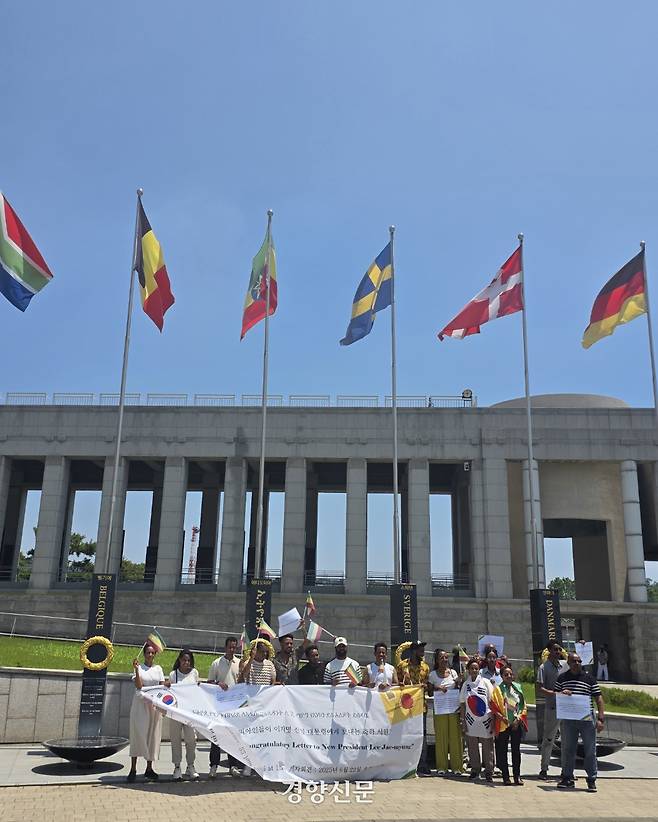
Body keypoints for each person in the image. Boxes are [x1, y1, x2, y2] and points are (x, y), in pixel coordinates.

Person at [555, 652, 605, 792]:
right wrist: (561, 693)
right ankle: (567, 778)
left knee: (590, 750)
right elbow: (555, 696)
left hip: (586, 719)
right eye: (574, 661)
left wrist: (601, 718)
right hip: (569, 719)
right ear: (568, 663)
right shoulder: (562, 678)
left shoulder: (589, 678)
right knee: (568, 749)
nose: (577, 663)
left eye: (579, 661)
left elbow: (599, 699)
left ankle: (591, 779)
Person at [238, 638, 277, 778]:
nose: (264, 655)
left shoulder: (270, 665)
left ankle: (262, 766)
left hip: (265, 705)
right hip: (251, 705)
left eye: (266, 652)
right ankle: (248, 765)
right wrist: (251, 659)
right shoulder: (248, 663)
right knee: (250, 737)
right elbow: (244, 675)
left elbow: (272, 681)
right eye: (261, 652)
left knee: (263, 736)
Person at [127, 642, 165, 782]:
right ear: (144, 654)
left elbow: (162, 686)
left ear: (155, 654)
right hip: (140, 705)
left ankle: (149, 768)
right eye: (148, 652)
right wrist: (136, 670)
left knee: (152, 736)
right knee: (138, 734)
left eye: (152, 653)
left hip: (154, 706)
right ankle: (133, 769)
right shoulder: (139, 668)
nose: (150, 655)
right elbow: (139, 685)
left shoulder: (158, 669)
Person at [459, 656, 497, 783]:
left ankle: (489, 771)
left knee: (488, 747)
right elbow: (463, 703)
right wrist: (463, 721)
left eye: (476, 668)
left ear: (479, 669)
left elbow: (492, 701)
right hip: (471, 720)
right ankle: (475, 769)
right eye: (472, 668)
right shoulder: (466, 684)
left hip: (486, 719)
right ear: (468, 670)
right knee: (472, 747)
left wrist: (493, 720)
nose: (474, 670)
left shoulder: (486, 682)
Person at [207, 636, 241, 777]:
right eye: (229, 647)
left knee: (232, 737)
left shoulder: (240, 663)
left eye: (234, 647)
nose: (232, 649)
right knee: (216, 737)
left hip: (234, 706)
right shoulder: (216, 663)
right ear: (225, 647)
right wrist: (217, 683)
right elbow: (208, 682)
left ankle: (233, 765)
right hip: (219, 705)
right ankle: (214, 766)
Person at [397, 640, 431, 776]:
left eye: (423, 648)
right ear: (413, 651)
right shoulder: (402, 666)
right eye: (419, 649)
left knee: (421, 735)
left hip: (420, 706)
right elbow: (397, 683)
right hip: (404, 707)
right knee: (404, 734)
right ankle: (404, 762)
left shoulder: (425, 667)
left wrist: (426, 687)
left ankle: (422, 763)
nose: (422, 651)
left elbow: (428, 685)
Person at [165, 649, 199, 781]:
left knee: (191, 740)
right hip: (175, 713)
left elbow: (197, 690)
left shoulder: (194, 673)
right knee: (175, 740)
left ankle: (190, 766)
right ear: (179, 660)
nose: (186, 663)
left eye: (189, 660)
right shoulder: (174, 675)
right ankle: (177, 767)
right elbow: (168, 691)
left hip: (189, 714)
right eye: (184, 660)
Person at [429, 648, 462, 776]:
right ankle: (441, 766)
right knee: (441, 737)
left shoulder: (453, 673)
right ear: (437, 660)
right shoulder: (432, 675)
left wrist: (458, 681)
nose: (444, 660)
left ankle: (457, 767)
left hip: (453, 708)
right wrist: (438, 687)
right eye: (441, 657)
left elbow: (458, 689)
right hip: (440, 709)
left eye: (446, 657)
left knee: (455, 737)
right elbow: (430, 691)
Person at [537, 641, 566, 780]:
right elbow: (539, 688)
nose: (557, 652)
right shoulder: (543, 667)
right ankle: (544, 769)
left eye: (559, 649)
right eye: (555, 649)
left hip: (567, 709)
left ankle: (567, 770)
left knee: (568, 740)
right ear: (549, 650)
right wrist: (554, 693)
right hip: (552, 708)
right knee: (549, 739)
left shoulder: (565, 666)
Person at [495, 665, 527, 786]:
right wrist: (502, 718)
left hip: (516, 723)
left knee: (516, 750)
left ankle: (517, 776)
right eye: (506, 674)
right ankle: (505, 776)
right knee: (502, 750)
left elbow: (523, 705)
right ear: (502, 676)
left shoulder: (518, 688)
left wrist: (518, 719)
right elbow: (494, 706)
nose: (509, 676)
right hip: (504, 723)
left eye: (510, 674)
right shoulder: (498, 690)